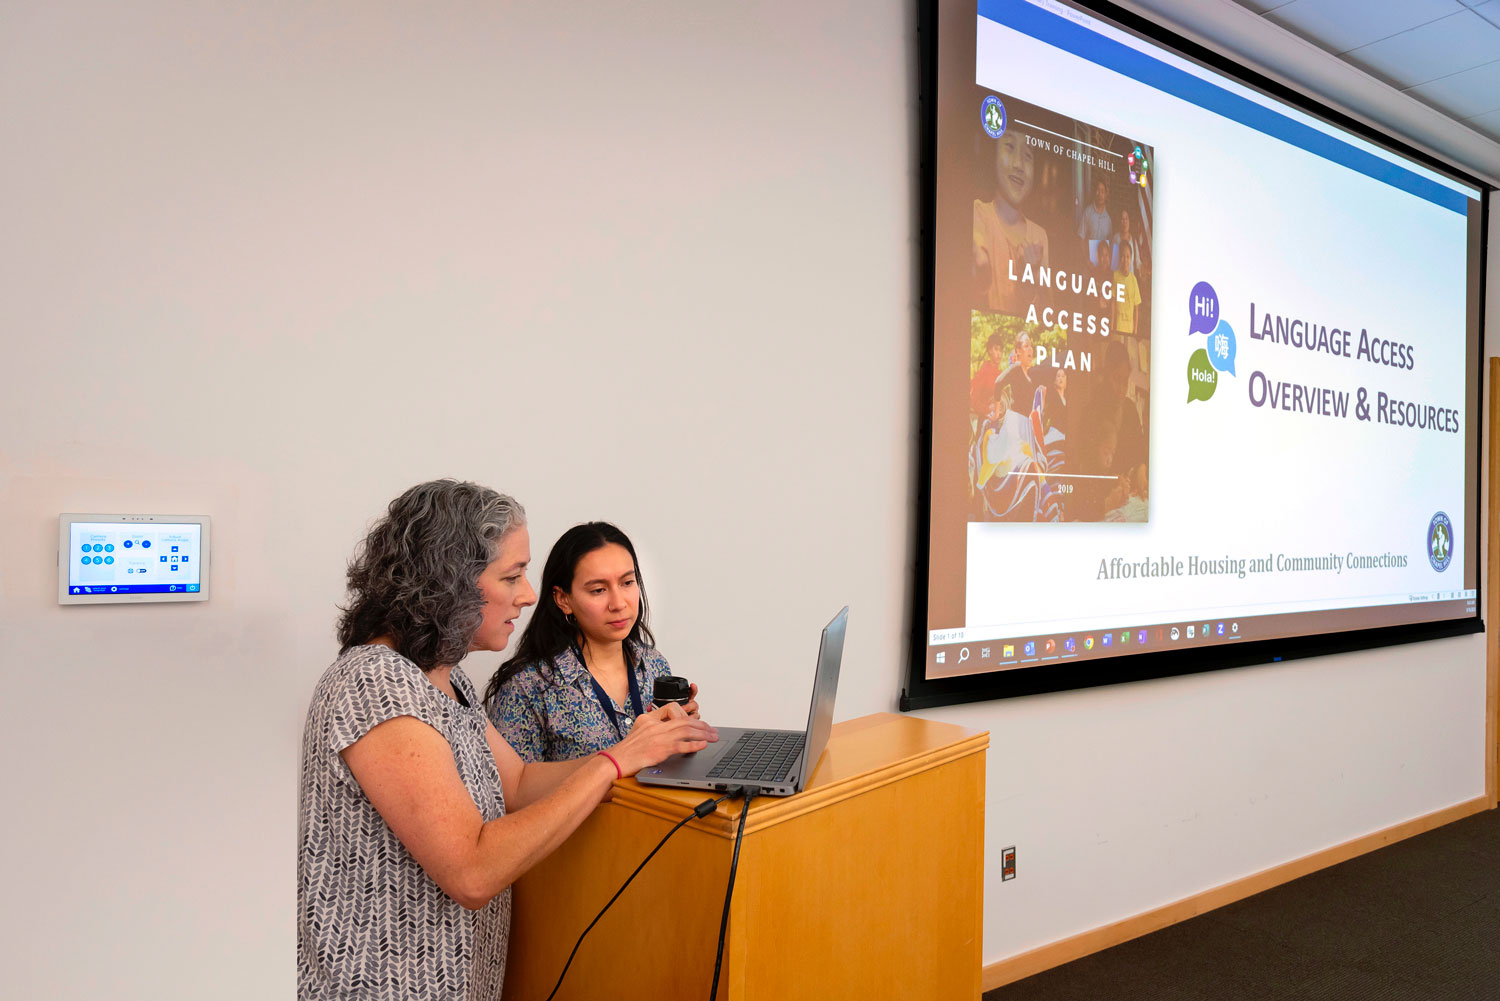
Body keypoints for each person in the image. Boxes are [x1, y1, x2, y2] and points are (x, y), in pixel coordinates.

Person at [297, 480, 716, 1000]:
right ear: (449, 582)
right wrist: (612, 762)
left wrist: (639, 748)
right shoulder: (375, 685)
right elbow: (471, 872)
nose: (530, 593)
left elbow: (516, 781)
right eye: (512, 575)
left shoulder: (447, 680)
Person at [485, 522, 699, 763]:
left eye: (627, 583)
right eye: (598, 590)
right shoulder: (527, 687)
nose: (618, 603)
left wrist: (683, 737)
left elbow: (665, 769)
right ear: (563, 599)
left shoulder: (653, 664)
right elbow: (511, 796)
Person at [973, 128, 1050, 313]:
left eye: (1028, 155)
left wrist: (1029, 284)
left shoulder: (1040, 236)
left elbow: (1048, 313)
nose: (1019, 164)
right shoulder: (978, 213)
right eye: (1009, 146)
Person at [969, 333, 1007, 418]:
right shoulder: (984, 372)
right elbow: (973, 400)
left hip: (1000, 421)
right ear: (989, 350)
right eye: (996, 349)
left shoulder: (1001, 374)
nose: (999, 353)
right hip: (984, 421)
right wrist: (987, 408)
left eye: (1000, 350)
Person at [1113, 242, 1141, 337]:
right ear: (1119, 258)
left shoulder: (1133, 280)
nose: (1125, 260)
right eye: (1123, 256)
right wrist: (1111, 326)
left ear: (1131, 259)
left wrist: (1135, 329)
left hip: (1129, 328)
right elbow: (1113, 303)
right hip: (1118, 326)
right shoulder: (1115, 276)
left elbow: (1136, 307)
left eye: (1128, 257)